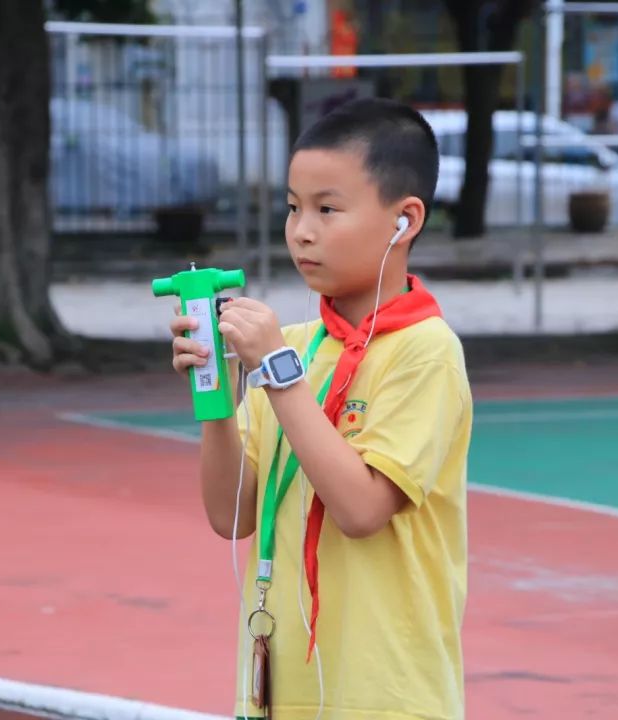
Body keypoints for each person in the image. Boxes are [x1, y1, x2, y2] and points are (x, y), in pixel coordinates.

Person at [169, 97, 473, 720]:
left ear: (403, 221)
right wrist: (217, 392)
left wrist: (277, 374)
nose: (301, 230)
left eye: (328, 209)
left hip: (385, 695)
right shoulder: (303, 346)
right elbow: (232, 515)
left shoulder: (425, 351)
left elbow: (361, 509)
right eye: (292, 207)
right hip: (284, 690)